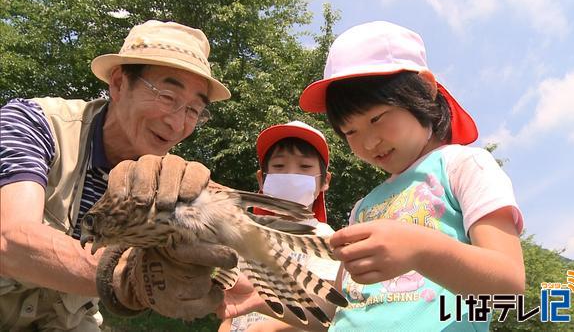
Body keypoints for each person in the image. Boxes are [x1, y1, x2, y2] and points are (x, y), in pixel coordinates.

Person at [221, 21, 525, 331]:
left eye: (377, 118)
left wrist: (421, 250)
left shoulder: (464, 166)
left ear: (426, 89)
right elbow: (336, 306)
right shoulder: (363, 208)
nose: (368, 143)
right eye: (350, 131)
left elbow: (509, 284)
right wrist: (268, 307)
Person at [0, 20, 237, 330]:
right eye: (167, 96)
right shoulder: (34, 124)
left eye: (193, 110)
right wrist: (125, 275)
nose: (178, 123)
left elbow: (235, 245)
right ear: (118, 84)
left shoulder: (169, 183)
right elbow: (9, 240)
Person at [219, 121, 340, 332]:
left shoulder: (324, 238)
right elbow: (230, 305)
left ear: (325, 181)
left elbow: (327, 308)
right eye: (279, 167)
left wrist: (267, 328)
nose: (291, 176)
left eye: (304, 167)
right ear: (261, 179)